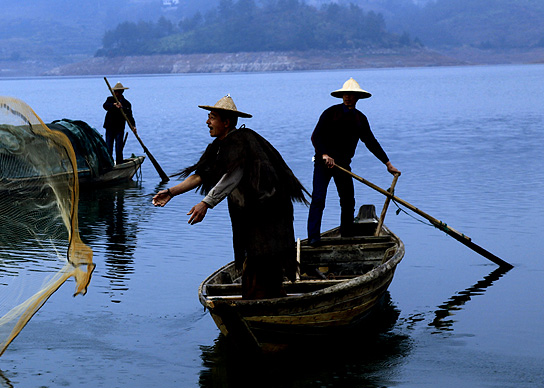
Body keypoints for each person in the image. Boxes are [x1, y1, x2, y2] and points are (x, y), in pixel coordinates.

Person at [152, 95, 306, 300]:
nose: (207, 122)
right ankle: (261, 300)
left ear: (226, 122)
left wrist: (206, 203)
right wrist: (171, 192)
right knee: (254, 257)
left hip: (268, 210)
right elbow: (200, 175)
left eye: (212, 118)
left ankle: (267, 300)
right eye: (209, 117)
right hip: (251, 212)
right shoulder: (218, 146)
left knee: (265, 257)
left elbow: (232, 176)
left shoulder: (241, 141)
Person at [308, 77, 401, 243]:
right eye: (345, 94)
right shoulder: (330, 112)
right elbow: (316, 136)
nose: (347, 97)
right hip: (323, 163)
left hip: (343, 165)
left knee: (348, 201)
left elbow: (371, 142)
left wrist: (387, 164)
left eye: (350, 94)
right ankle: (314, 238)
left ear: (357, 97)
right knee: (318, 199)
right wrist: (324, 154)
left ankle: (347, 237)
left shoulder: (360, 119)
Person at [103, 82, 135, 163]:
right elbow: (105, 106)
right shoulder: (110, 99)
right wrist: (114, 105)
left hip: (119, 128)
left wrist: (133, 126)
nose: (114, 93)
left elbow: (129, 116)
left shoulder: (126, 104)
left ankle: (119, 163)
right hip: (110, 127)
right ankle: (108, 164)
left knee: (119, 148)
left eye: (116, 92)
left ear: (119, 92)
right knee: (108, 147)